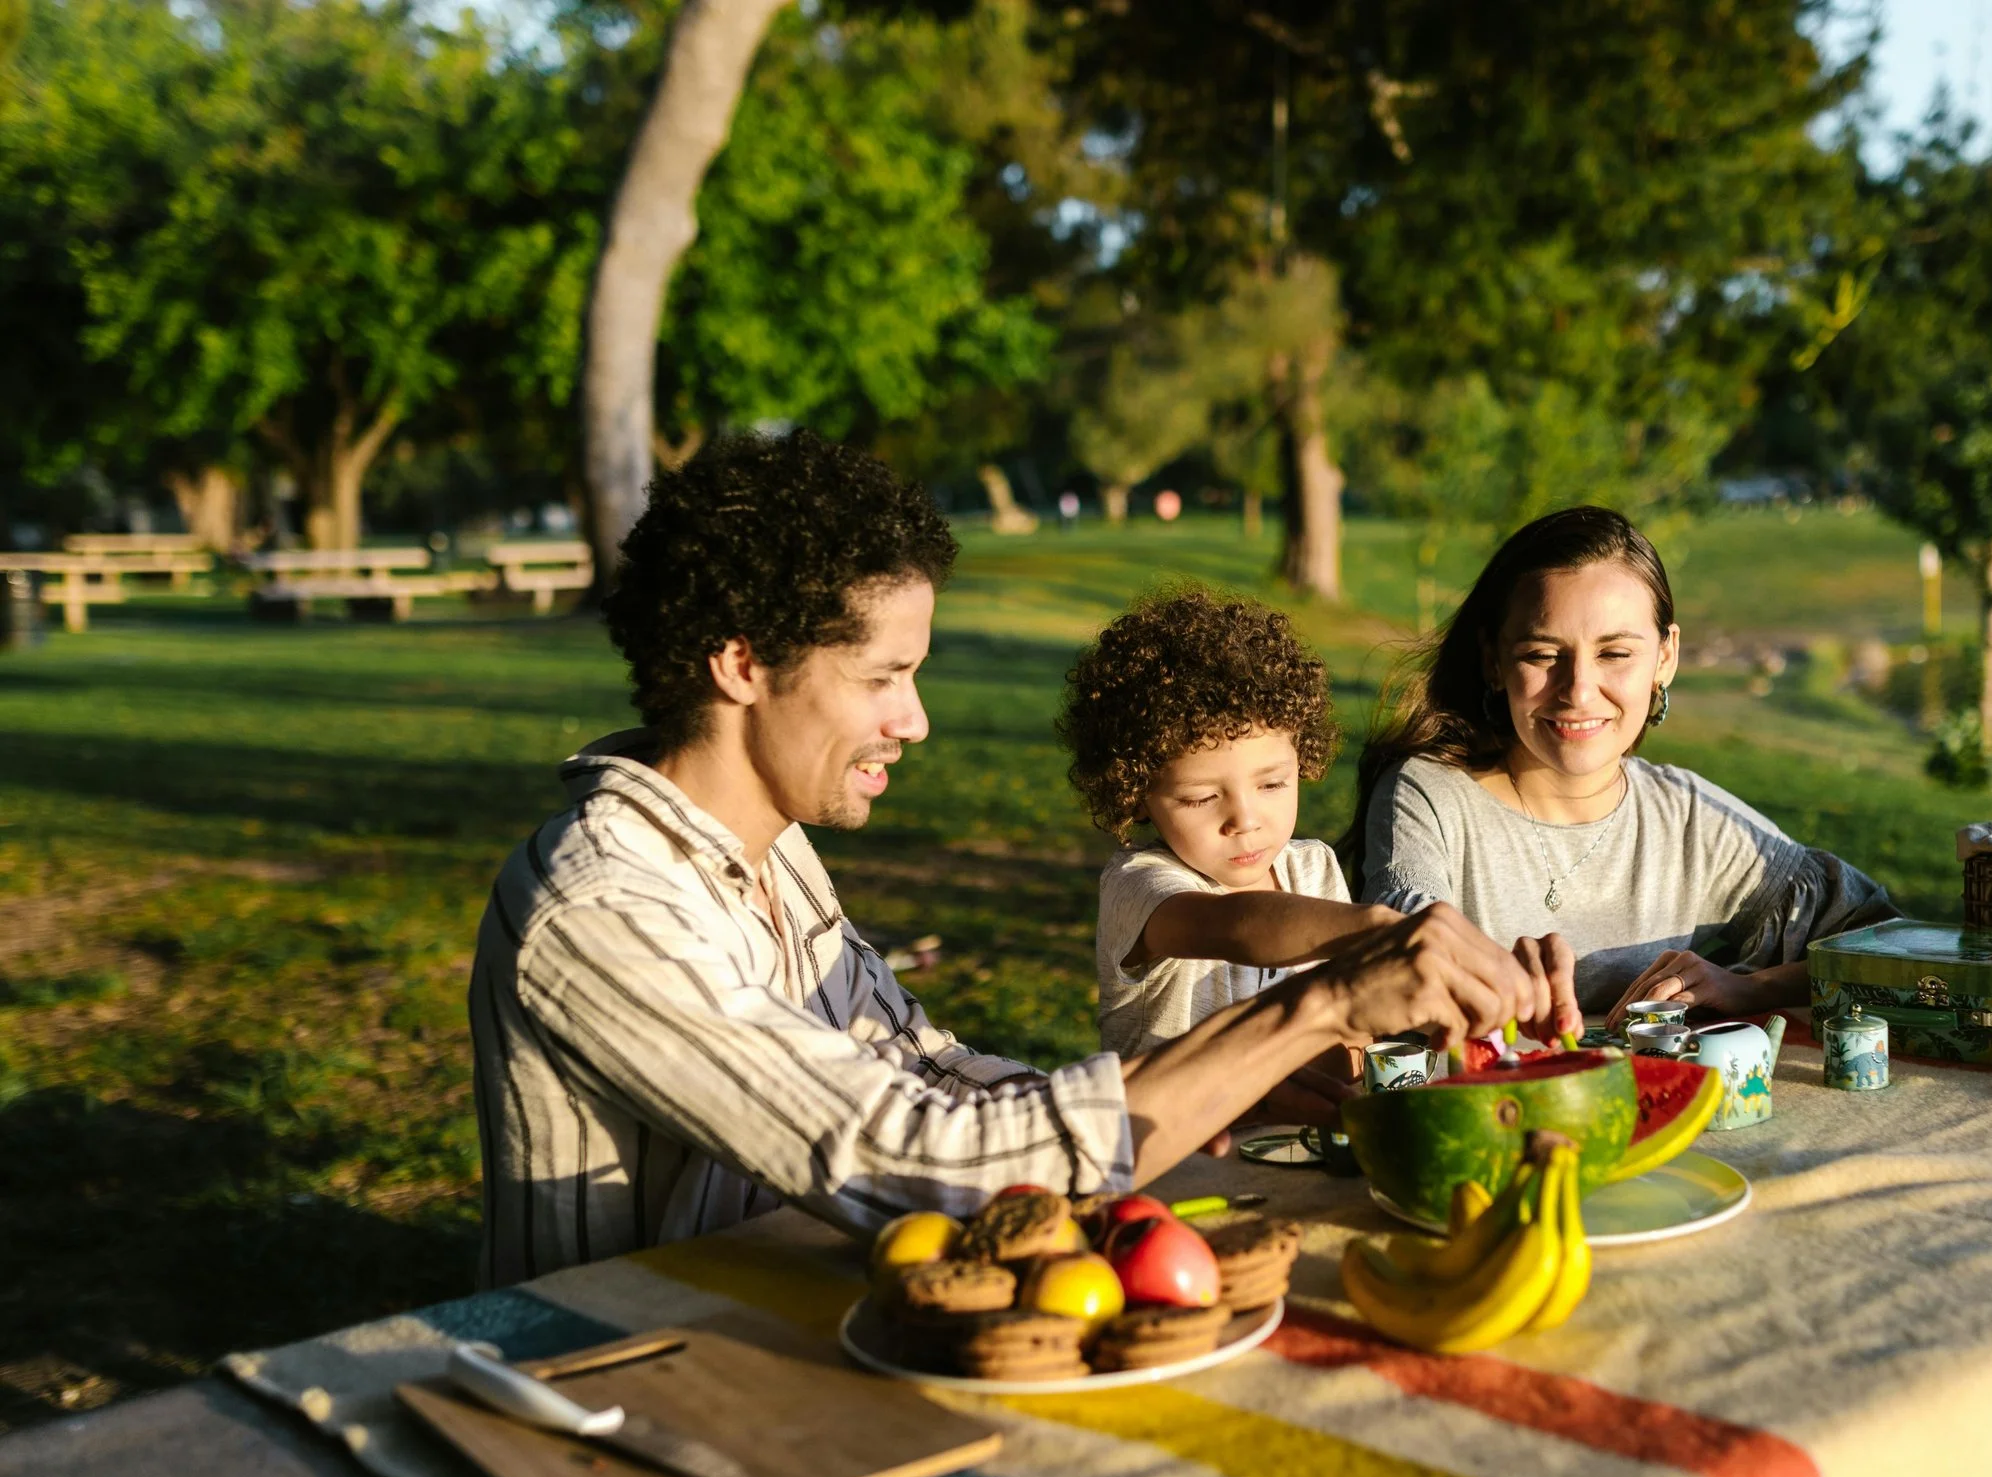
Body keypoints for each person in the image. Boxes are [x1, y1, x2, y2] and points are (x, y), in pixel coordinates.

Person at [468, 432, 1554, 1285]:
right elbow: (921, 1158)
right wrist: (1312, 1009)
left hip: (781, 1301)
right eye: (883, 676)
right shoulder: (599, 907)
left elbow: (921, 1068)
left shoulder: (765, 849)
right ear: (742, 664)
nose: (917, 720)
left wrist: (1217, 1085)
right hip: (630, 1377)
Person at [1345, 505, 1897, 1027]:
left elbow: (1888, 948)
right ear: (1493, 661)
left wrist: (1747, 987)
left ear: (1665, 657)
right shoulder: (1430, 798)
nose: (1579, 691)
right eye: (1542, 655)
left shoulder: (1689, 821)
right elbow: (1402, 953)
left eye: (1614, 654)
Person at [1062, 591, 1397, 1127]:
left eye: (1271, 783)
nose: (1245, 819)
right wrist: (1381, 931)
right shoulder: (1139, 886)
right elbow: (1234, 926)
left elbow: (1350, 1037)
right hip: (1173, 1162)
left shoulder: (1313, 871)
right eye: (1199, 798)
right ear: (1135, 791)